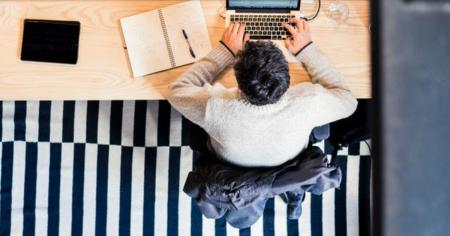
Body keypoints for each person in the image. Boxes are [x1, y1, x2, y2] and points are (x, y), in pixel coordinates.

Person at [167, 18, 357, 167]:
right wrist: (307, 50)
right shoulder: (308, 103)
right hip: (288, 164)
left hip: (228, 165)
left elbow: (176, 91)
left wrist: (225, 51)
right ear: (287, 80)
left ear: (239, 86)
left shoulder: (215, 105)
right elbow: (348, 100)